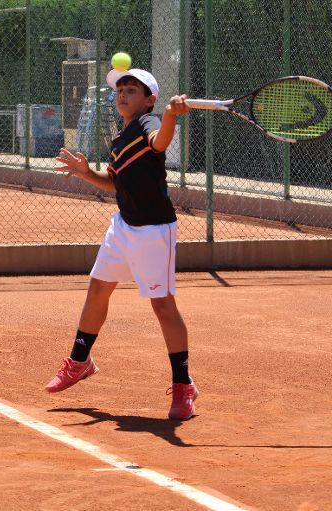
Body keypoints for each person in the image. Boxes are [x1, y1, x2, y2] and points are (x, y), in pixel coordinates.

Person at [44, 68, 198, 420]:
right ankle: (80, 362)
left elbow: (159, 142)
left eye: (132, 90)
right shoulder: (120, 136)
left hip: (154, 232)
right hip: (123, 226)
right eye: (121, 90)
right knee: (97, 290)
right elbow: (113, 182)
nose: (123, 95)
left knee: (163, 307)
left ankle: (183, 385)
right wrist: (86, 173)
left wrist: (172, 115)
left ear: (149, 100)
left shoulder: (148, 124)